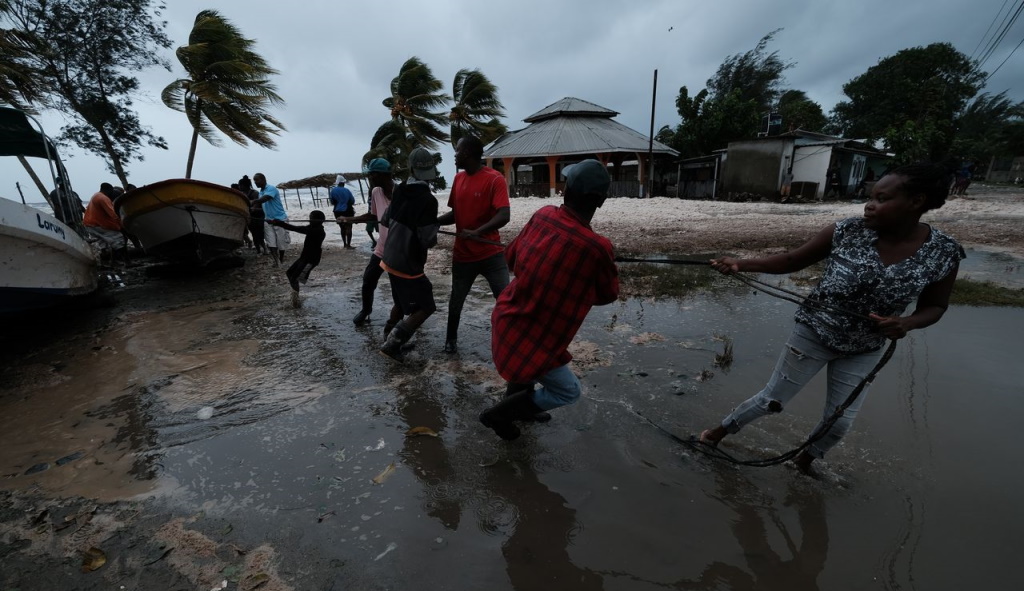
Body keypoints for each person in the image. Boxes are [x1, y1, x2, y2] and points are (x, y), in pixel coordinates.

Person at [698, 163, 966, 472]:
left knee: (839, 422)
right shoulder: (847, 231)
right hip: (814, 331)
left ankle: (803, 462)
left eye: (881, 198)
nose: (870, 205)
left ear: (916, 202)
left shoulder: (944, 252)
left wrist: (907, 323)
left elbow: (936, 307)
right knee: (771, 401)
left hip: (866, 347)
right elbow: (791, 260)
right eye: (871, 197)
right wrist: (740, 264)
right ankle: (713, 435)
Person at [480, 160, 620, 441]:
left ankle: (523, 409)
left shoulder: (543, 214)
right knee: (568, 391)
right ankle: (498, 415)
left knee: (525, 372)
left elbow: (510, 258)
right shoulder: (598, 247)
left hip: (508, 318)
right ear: (601, 201)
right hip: (534, 336)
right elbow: (608, 296)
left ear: (567, 192)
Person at [436, 135, 511, 354]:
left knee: (505, 300)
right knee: (456, 300)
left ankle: (509, 340)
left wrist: (477, 232)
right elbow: (455, 214)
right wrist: (434, 221)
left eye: (457, 151)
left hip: (491, 253)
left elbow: (504, 215)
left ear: (467, 153)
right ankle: (450, 341)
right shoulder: (458, 180)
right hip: (463, 255)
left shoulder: (494, 179)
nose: (455, 155)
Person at [378, 148, 440, 362]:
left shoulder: (399, 189)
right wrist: (435, 227)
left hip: (388, 258)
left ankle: (387, 334)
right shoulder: (429, 200)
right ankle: (393, 344)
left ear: (411, 169)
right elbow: (427, 240)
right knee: (426, 306)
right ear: (430, 172)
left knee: (400, 299)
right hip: (408, 262)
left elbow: (385, 221)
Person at [336, 158, 393, 325]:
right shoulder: (375, 192)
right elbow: (373, 216)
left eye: (372, 175)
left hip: (398, 249)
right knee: (368, 280)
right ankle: (366, 310)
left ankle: (407, 317)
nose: (370, 178)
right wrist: (349, 219)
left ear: (381, 175)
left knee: (400, 287)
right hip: (382, 248)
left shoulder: (401, 192)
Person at [268, 210, 327, 308]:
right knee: (289, 273)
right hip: (304, 257)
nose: (309, 220)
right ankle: (296, 297)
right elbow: (295, 228)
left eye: (311, 218)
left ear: (318, 220)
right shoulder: (313, 227)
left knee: (295, 277)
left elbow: (296, 228)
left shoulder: (318, 231)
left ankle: (295, 301)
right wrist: (278, 223)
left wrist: (280, 223)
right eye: (310, 217)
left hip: (311, 260)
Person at [253, 172, 289, 265]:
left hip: (280, 219)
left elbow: (265, 199)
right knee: (271, 242)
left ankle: (281, 258)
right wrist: (251, 209)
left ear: (264, 180)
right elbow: (261, 205)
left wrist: (252, 201)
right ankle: (276, 261)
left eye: (257, 180)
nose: (255, 182)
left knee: (281, 243)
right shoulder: (260, 192)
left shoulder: (271, 189)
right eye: (254, 180)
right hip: (268, 220)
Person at [83, 182, 126, 253]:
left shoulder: (96, 195)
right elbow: (113, 214)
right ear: (108, 190)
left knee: (103, 241)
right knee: (118, 239)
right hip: (97, 225)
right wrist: (121, 225)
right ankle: (126, 261)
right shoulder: (103, 198)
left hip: (89, 224)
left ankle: (105, 257)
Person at [239, 175, 266, 255]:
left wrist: (250, 209)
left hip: (258, 216)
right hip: (250, 217)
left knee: (260, 234)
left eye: (240, 185)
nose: (239, 187)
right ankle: (258, 250)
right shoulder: (242, 194)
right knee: (254, 234)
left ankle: (264, 248)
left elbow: (256, 207)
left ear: (244, 185)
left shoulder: (255, 193)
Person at [329, 175, 357, 248]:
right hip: (348, 210)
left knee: (342, 227)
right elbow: (352, 201)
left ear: (338, 183)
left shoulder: (333, 191)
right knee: (349, 227)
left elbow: (332, 201)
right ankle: (348, 244)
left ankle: (344, 244)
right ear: (343, 183)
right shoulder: (347, 191)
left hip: (337, 211)